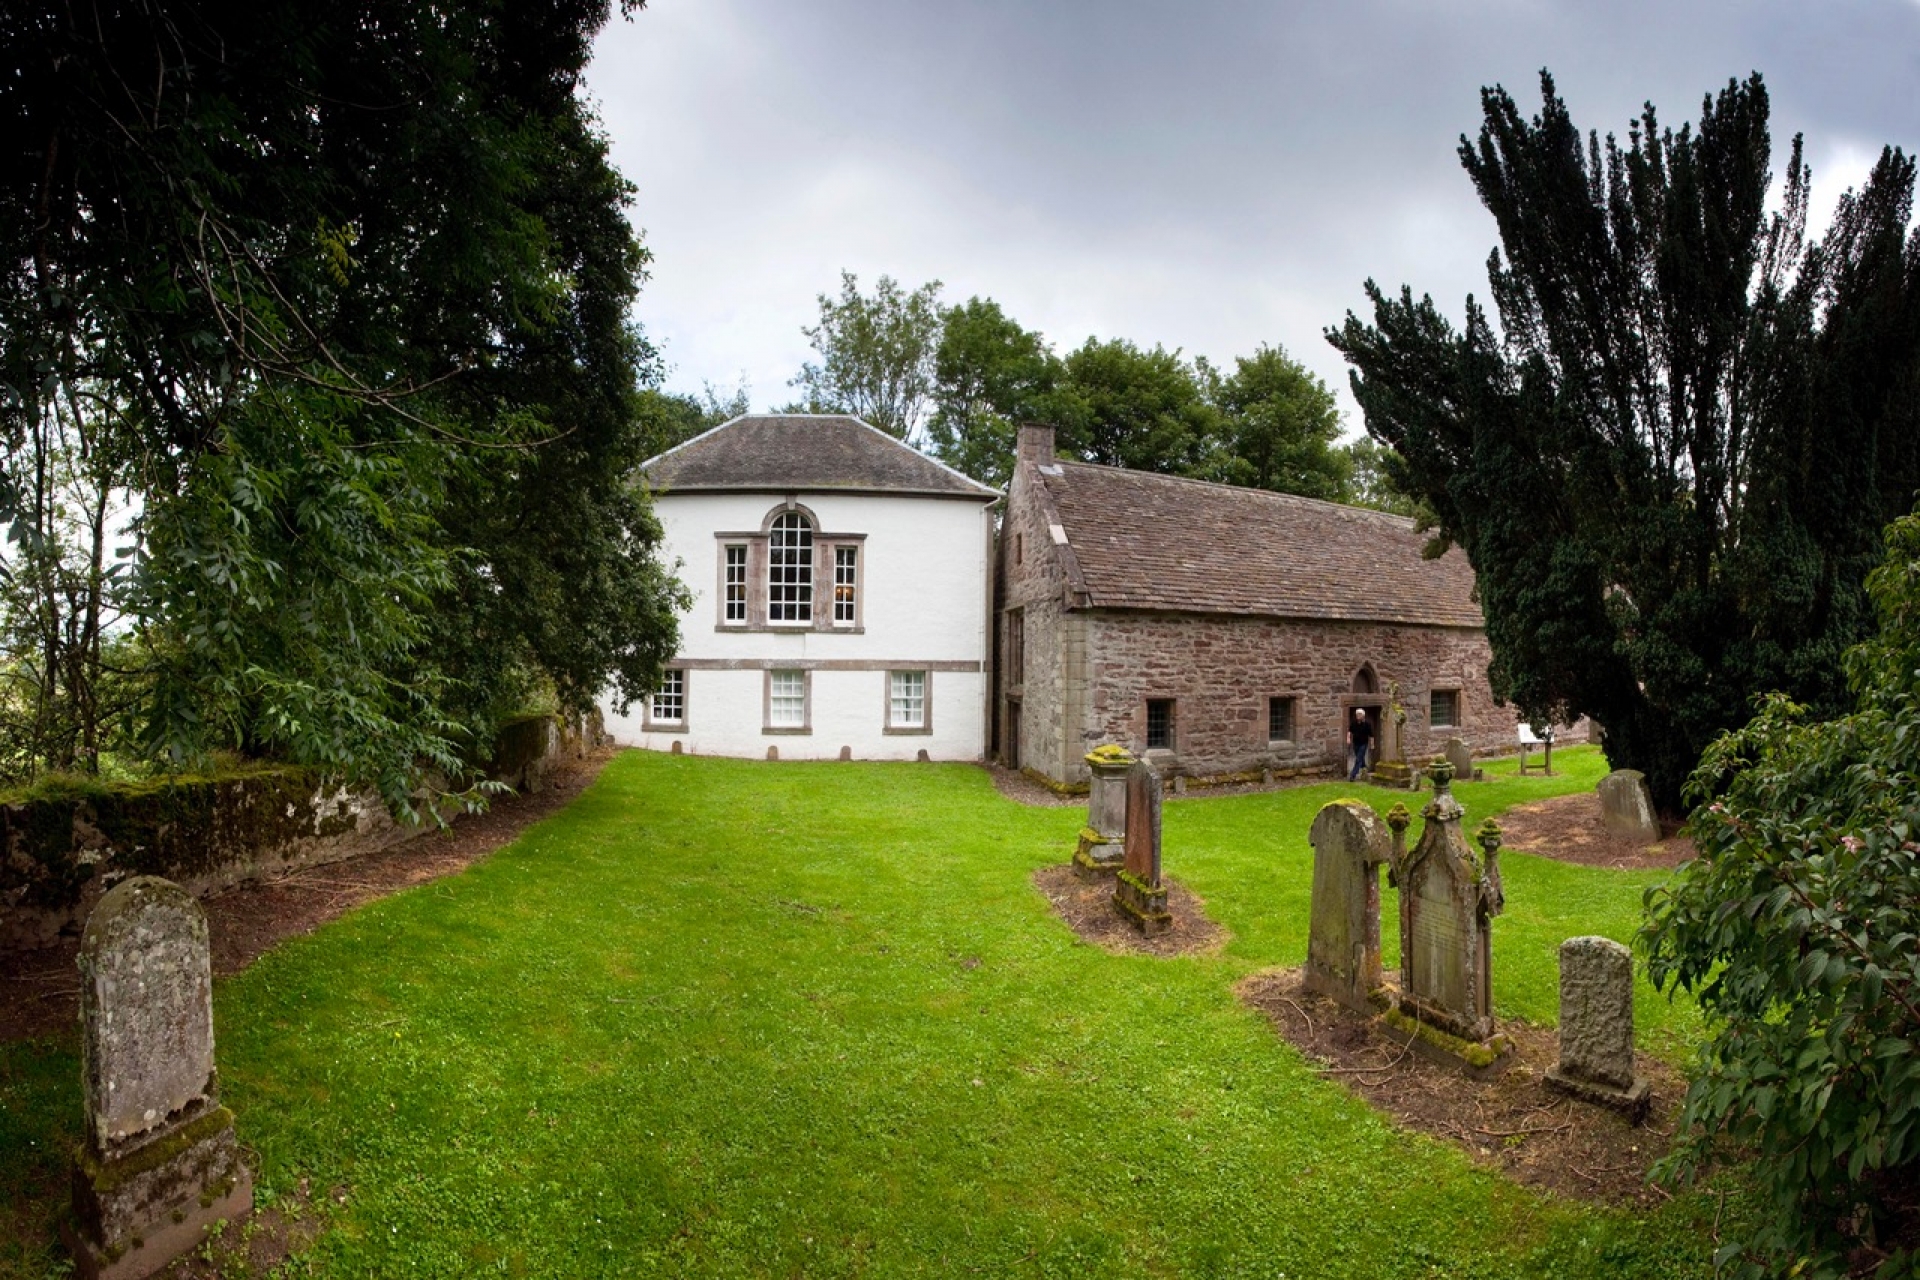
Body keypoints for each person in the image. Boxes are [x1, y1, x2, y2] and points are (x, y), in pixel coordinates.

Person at [1347, 708, 1373, 782]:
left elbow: (1371, 735)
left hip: (1363, 744)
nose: (1357, 716)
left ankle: (1353, 775)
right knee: (1360, 758)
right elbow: (1349, 731)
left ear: (1363, 716)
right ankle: (1364, 767)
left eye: (1359, 714)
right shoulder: (1354, 723)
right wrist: (1348, 738)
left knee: (1358, 759)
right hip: (1355, 743)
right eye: (1357, 714)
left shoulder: (1367, 724)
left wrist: (1372, 745)